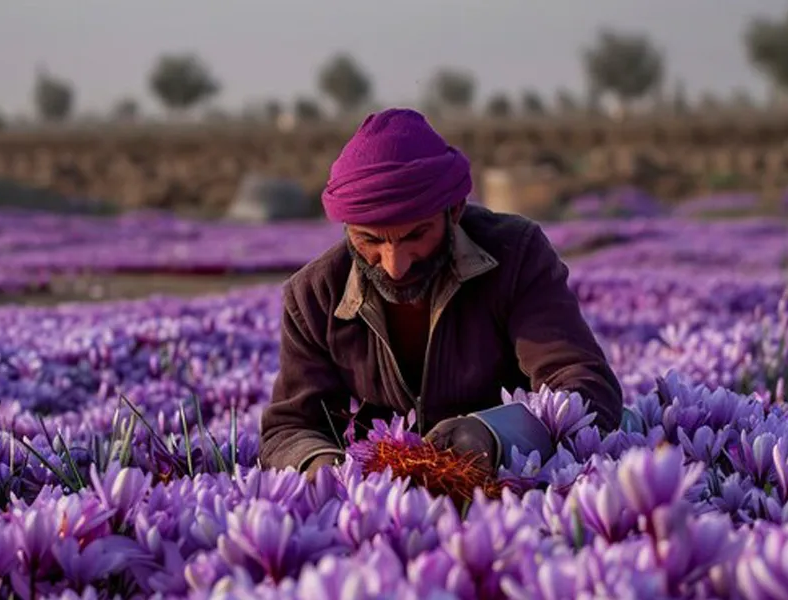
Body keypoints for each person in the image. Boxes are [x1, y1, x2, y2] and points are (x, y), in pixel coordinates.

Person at [258, 108, 626, 479]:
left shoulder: (516, 256)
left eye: (416, 235)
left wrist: (491, 434)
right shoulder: (314, 295)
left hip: (511, 484)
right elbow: (289, 429)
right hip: (379, 501)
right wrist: (326, 470)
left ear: (454, 211)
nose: (395, 266)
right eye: (369, 239)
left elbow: (584, 386)